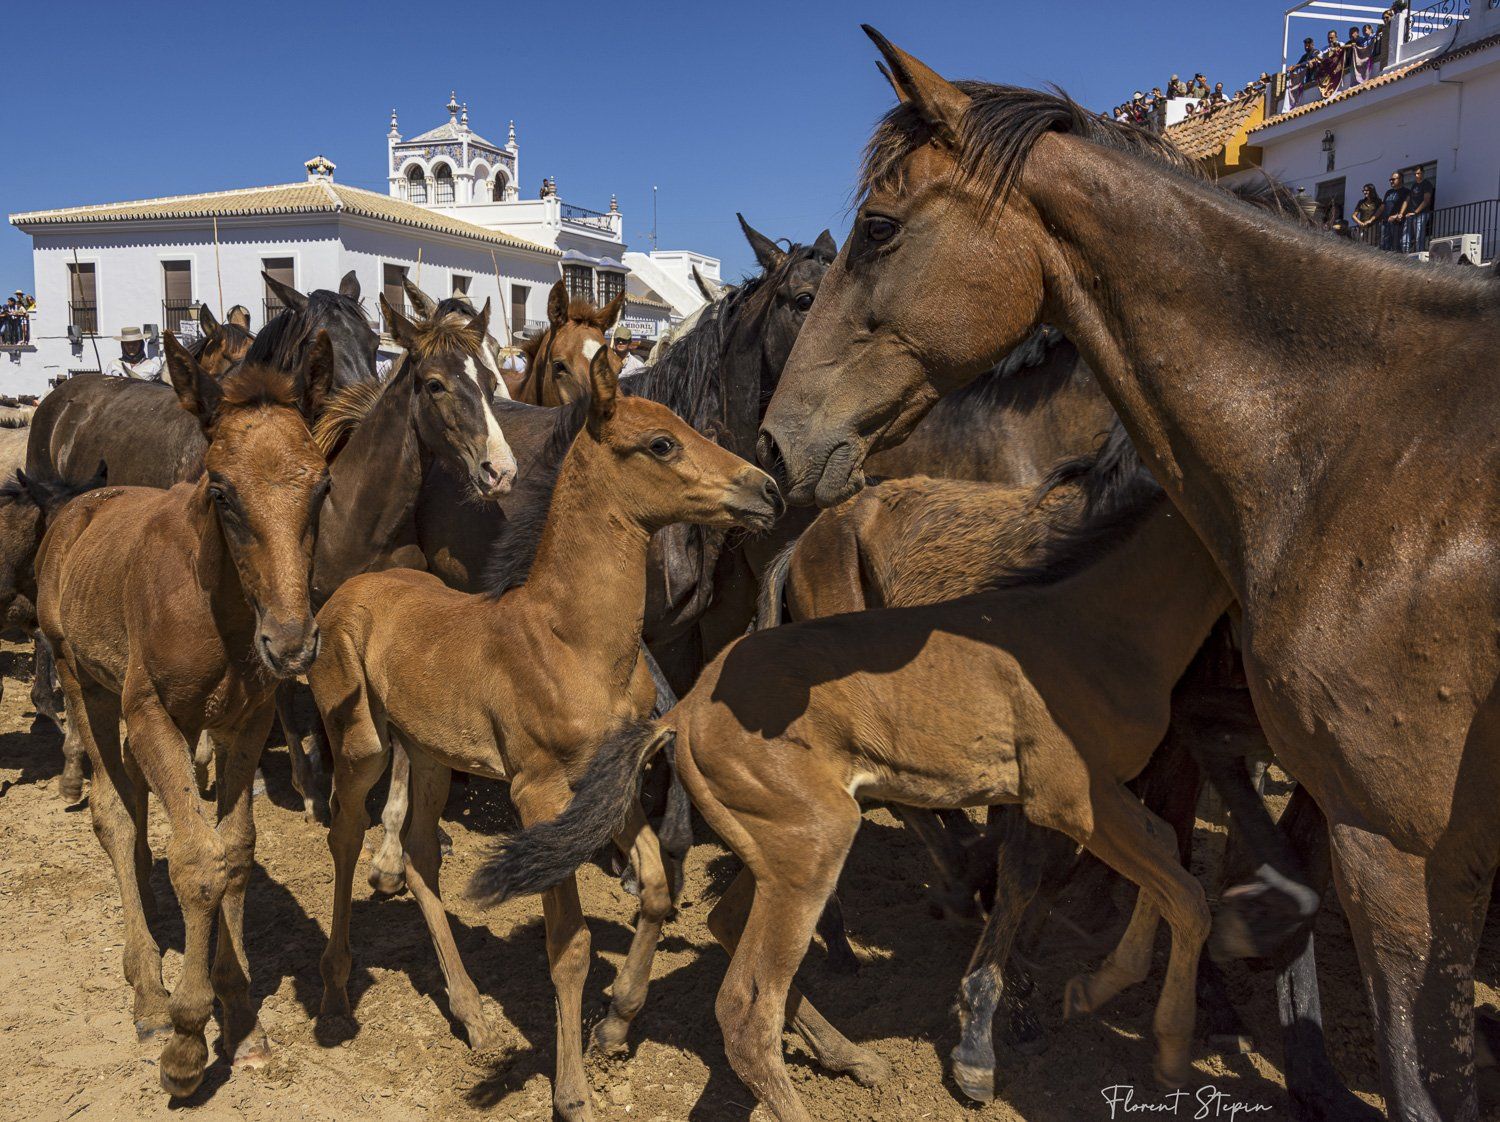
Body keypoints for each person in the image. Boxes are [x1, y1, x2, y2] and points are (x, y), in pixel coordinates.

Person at [1403, 165, 1434, 253]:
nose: (1416, 175)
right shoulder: (1414, 185)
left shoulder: (1427, 184)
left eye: (1418, 173)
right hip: (1412, 214)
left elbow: (1426, 200)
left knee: (1419, 236)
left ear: (1423, 173)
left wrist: (1415, 212)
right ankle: (1405, 253)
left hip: (1422, 213)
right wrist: (1403, 213)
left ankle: (1419, 254)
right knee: (1406, 235)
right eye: (1415, 174)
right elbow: (1408, 200)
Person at [1381, 171, 1409, 252]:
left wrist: (1399, 215)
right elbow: (1382, 206)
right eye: (1390, 180)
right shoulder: (1388, 192)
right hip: (1386, 221)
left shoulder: (1405, 191)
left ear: (1400, 179)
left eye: (1393, 179)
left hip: (1397, 222)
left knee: (1395, 244)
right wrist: (1375, 217)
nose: (1391, 181)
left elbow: (1406, 203)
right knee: (1384, 244)